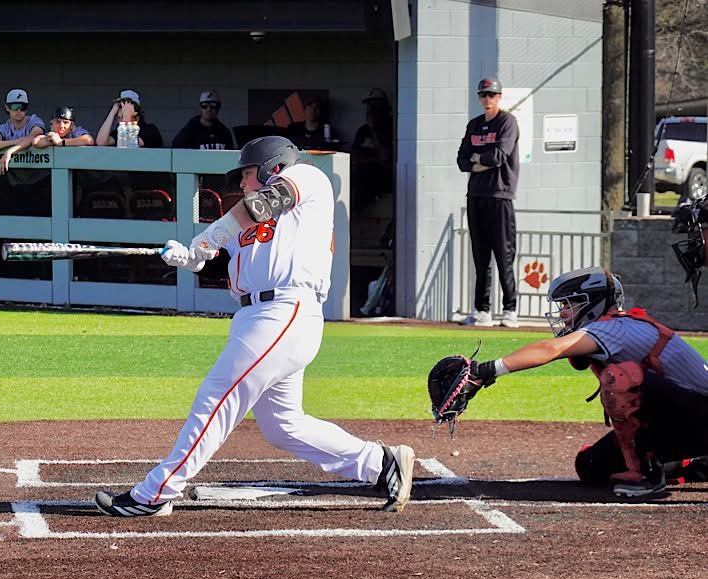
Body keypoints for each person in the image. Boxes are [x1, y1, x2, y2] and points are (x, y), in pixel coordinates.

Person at [94, 135, 415, 517]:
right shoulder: (247, 223)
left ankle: (155, 494)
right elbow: (219, 257)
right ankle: (380, 463)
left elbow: (260, 205)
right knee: (282, 425)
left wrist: (209, 236)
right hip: (255, 316)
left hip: (285, 309)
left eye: (247, 174)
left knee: (216, 397)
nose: (242, 183)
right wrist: (191, 257)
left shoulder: (307, 178)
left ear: (272, 167)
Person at [464, 266, 708, 497]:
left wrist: (486, 370)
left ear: (592, 303)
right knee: (591, 465)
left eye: (568, 304)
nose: (562, 312)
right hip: (686, 420)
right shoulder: (611, 327)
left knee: (620, 379)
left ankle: (647, 475)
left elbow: (551, 349)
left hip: (700, 414)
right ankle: (697, 465)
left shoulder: (615, 327)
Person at [457, 77, 520, 328]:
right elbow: (462, 161)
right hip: (476, 195)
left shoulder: (507, 122)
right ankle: (482, 310)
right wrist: (478, 162)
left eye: (492, 95)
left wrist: (477, 160)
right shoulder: (474, 125)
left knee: (504, 256)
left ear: (499, 97)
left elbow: (499, 156)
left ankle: (510, 310)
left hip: (500, 195)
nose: (487, 99)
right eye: (483, 95)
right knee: (480, 257)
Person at [0, 88, 47, 175]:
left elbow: (33, 136)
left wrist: (10, 152)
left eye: (22, 107)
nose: (19, 110)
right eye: (15, 106)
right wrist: (14, 142)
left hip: (39, 175)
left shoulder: (34, 120)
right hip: (15, 177)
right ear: (7, 107)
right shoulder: (5, 127)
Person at [349, 87, 393, 212]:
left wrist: (374, 130)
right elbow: (354, 156)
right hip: (363, 175)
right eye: (369, 107)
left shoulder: (392, 128)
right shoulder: (363, 130)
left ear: (385, 109)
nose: (371, 110)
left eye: (375, 107)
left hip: (384, 176)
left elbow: (386, 159)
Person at [95, 89, 163, 148]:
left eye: (124, 116)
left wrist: (127, 117)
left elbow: (129, 144)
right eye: (119, 117)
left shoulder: (150, 130)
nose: (121, 121)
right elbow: (101, 142)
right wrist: (112, 112)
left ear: (137, 118)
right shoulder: (119, 132)